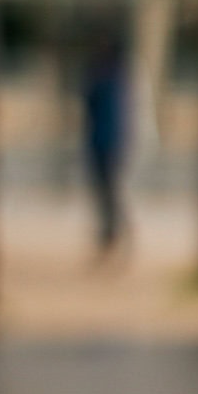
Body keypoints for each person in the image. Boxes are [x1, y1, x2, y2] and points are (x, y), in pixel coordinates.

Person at [81, 33, 129, 255]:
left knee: (108, 191)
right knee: (107, 191)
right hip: (106, 141)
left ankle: (114, 233)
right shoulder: (114, 76)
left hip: (106, 142)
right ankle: (110, 233)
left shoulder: (107, 77)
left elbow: (90, 102)